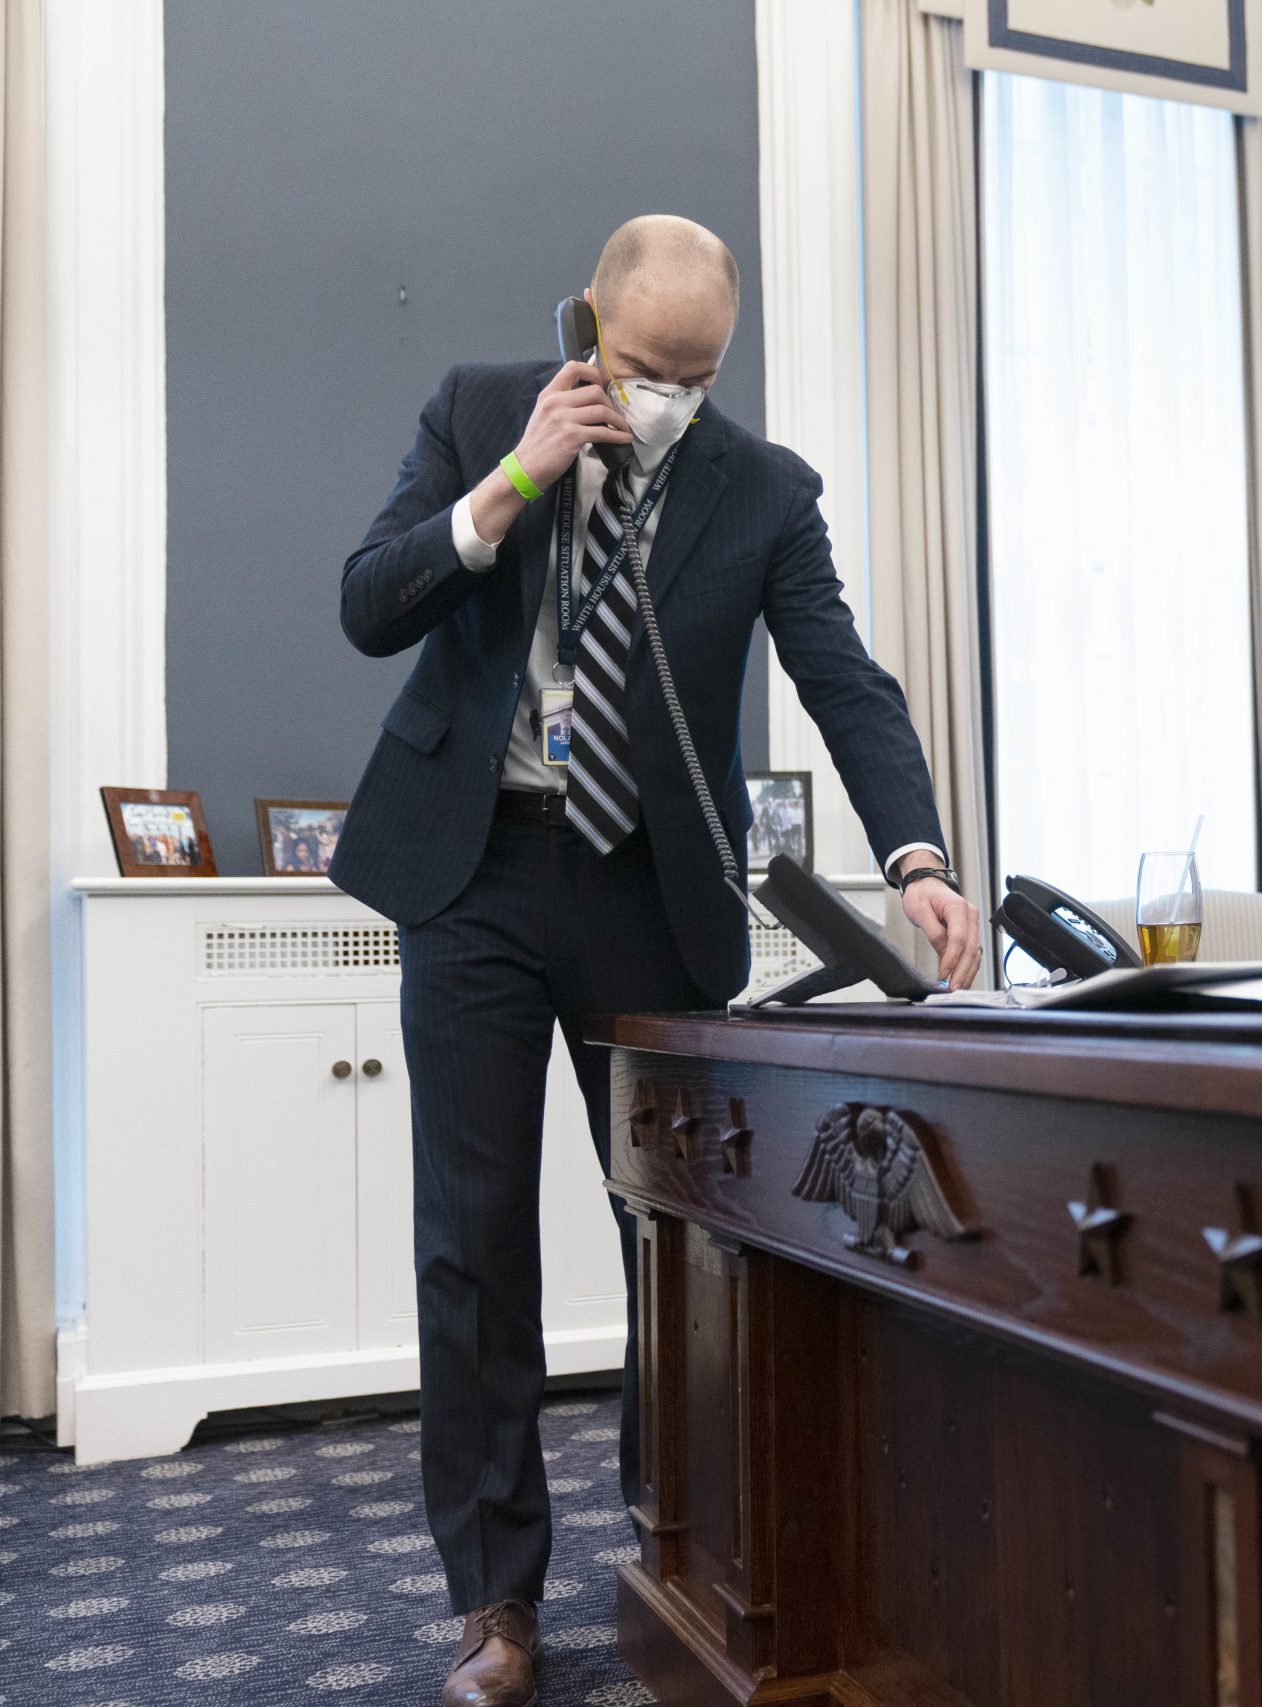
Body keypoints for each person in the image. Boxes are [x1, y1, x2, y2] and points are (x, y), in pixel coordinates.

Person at [333, 215, 982, 1707]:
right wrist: (514, 484)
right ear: (587, 325)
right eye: (643, 368)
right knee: (474, 1237)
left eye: (697, 376)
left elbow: (845, 678)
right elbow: (370, 603)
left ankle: (673, 1541)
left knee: (676, 1239)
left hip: (646, 888)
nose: (669, 399)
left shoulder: (764, 492)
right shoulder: (482, 409)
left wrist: (920, 858)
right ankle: (496, 1598)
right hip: (477, 868)